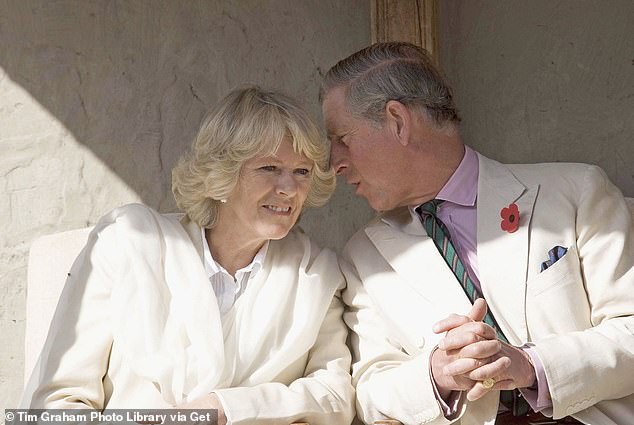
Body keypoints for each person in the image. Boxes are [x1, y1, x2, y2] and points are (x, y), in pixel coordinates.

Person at [320, 42, 634, 425]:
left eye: (341, 139)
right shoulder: (362, 255)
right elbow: (369, 393)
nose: (333, 162)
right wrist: (437, 374)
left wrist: (531, 366)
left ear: (397, 122)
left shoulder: (576, 191)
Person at [22, 86, 355, 425]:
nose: (289, 188)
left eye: (302, 171)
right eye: (269, 168)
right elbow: (57, 400)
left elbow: (335, 399)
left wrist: (224, 408)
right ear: (222, 175)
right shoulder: (130, 244)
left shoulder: (316, 275)